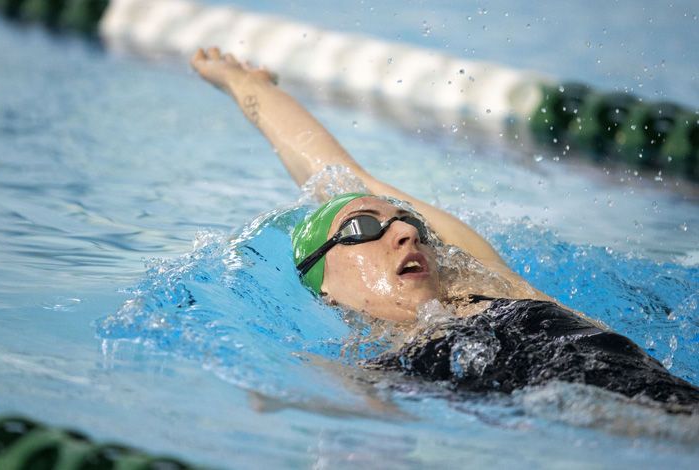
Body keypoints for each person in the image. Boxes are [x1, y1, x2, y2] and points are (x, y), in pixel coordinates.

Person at [191, 47, 699, 407]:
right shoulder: (362, 375)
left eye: (407, 222)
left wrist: (247, 85)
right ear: (321, 281)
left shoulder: (485, 286)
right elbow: (335, 181)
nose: (406, 233)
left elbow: (345, 176)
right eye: (362, 226)